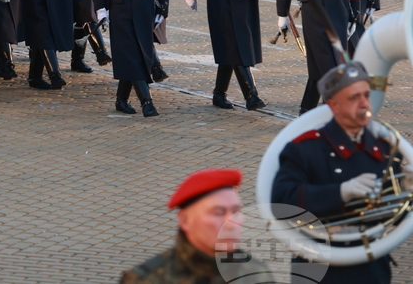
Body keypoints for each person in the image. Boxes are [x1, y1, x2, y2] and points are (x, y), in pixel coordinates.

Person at [272, 62, 410, 283]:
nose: (365, 103)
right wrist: (341, 192)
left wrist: (407, 191)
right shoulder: (304, 148)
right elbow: (281, 201)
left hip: (370, 267)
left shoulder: (384, 148)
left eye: (366, 95)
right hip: (319, 267)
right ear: (333, 105)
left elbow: (393, 214)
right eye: (354, 98)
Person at [121, 168, 266, 283]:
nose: (231, 223)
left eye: (235, 211)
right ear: (185, 220)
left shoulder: (254, 271)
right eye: (218, 213)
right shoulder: (146, 280)